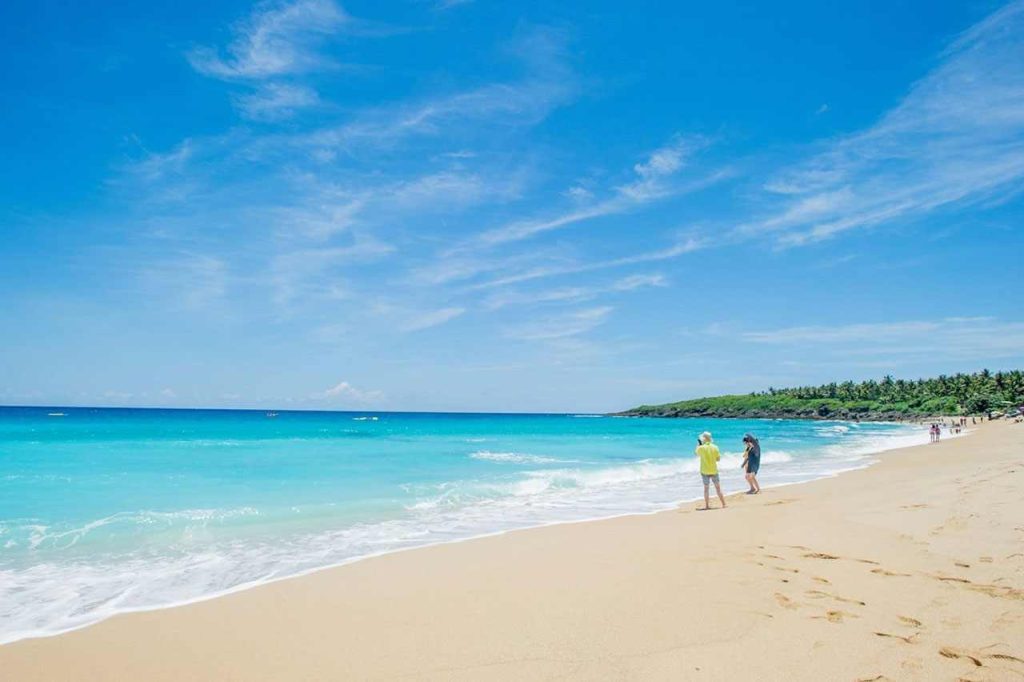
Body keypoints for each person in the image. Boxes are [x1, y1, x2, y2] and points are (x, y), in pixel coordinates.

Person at [695, 431, 726, 510]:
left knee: (706, 489)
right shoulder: (715, 447)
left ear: (703, 439)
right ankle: (723, 504)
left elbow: (696, 453)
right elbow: (718, 459)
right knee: (718, 488)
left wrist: (698, 445)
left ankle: (707, 506)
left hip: (704, 470)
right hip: (713, 470)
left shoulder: (701, 448)